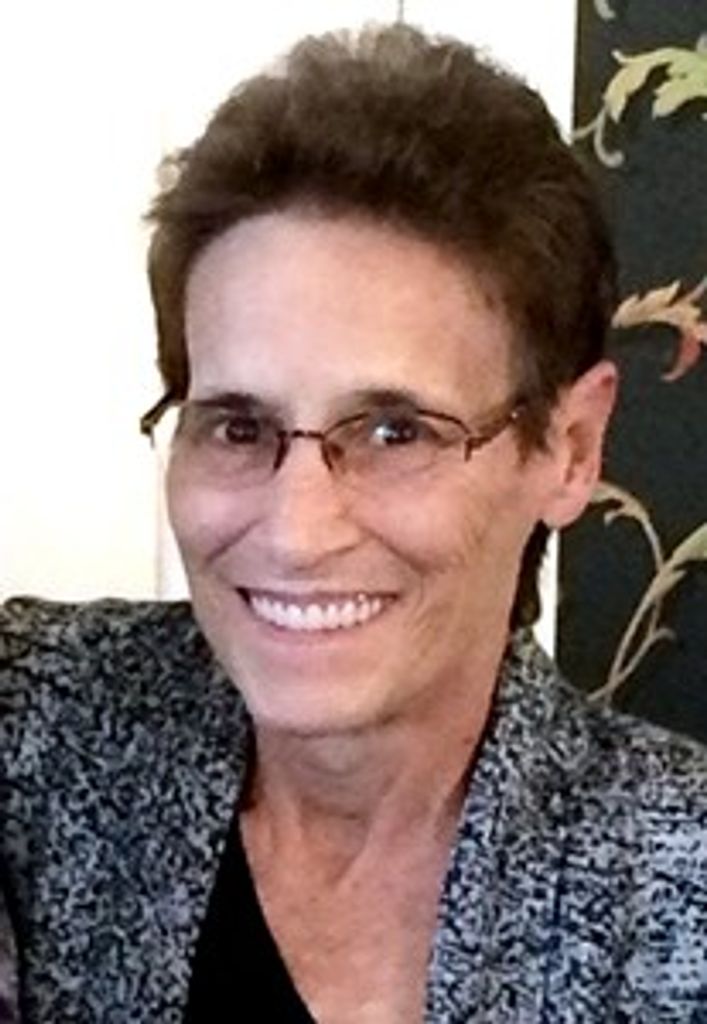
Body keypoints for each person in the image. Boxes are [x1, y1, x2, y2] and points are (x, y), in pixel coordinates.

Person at [2, 21, 707, 1023]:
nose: (295, 532)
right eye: (237, 425)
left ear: (567, 448)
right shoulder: (45, 725)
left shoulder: (676, 893)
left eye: (393, 430)